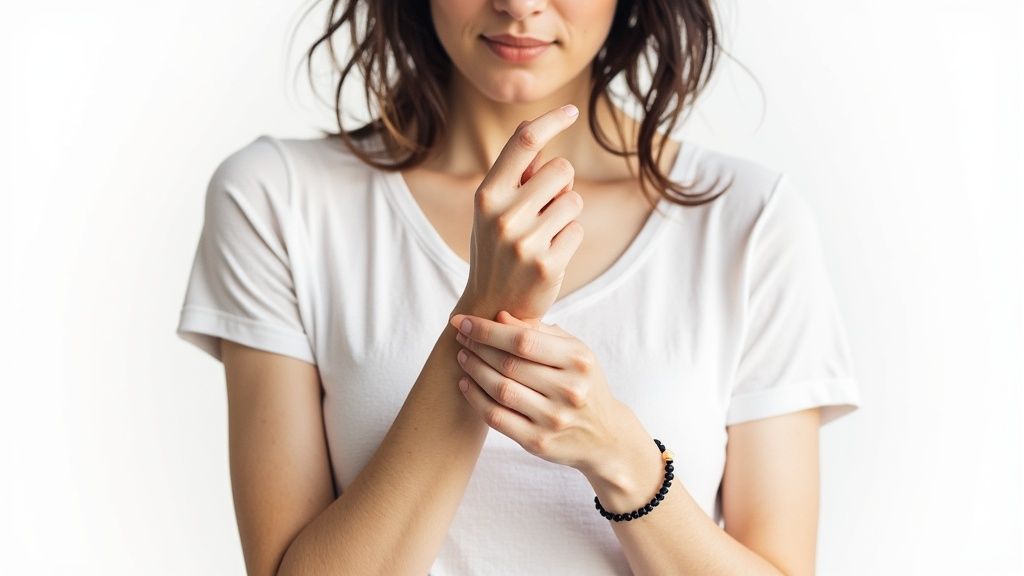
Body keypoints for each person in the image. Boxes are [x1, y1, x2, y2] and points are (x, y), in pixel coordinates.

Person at [176, 0, 862, 574]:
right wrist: (486, 309)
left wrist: (623, 459)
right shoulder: (281, 200)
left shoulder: (749, 221)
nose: (519, 4)